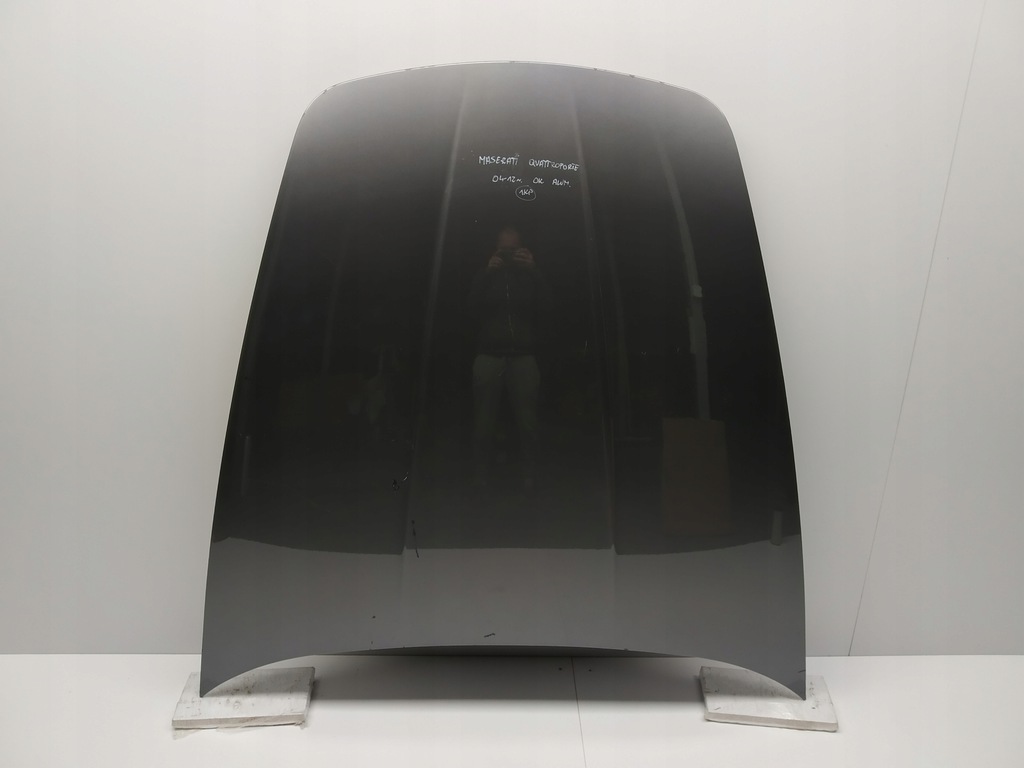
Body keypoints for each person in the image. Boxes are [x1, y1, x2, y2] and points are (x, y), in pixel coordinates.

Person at [467, 226, 551, 490]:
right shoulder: (486, 274)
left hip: (523, 355)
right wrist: (486, 273)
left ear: (523, 249)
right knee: (483, 422)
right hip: (489, 354)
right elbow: (470, 309)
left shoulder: (529, 275)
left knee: (528, 422)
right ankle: (480, 477)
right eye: (503, 250)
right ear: (495, 249)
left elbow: (547, 307)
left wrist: (534, 270)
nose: (508, 254)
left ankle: (530, 477)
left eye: (513, 250)